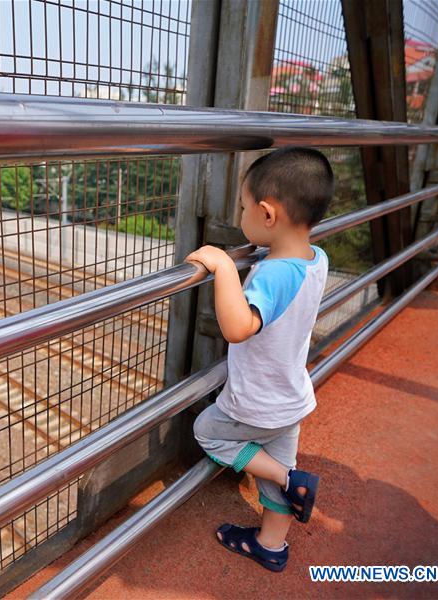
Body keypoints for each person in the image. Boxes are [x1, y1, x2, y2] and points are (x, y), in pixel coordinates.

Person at [185, 147, 333, 572]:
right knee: (273, 468)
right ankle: (270, 544)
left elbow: (238, 327)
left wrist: (224, 267)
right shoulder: (315, 259)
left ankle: (291, 480)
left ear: (268, 215)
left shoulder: (272, 273)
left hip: (256, 403)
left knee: (209, 431)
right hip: (291, 398)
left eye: (244, 207)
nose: (241, 215)